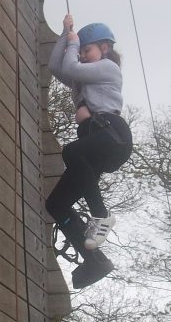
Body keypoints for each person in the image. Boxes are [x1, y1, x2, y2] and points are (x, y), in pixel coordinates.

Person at [46, 15, 133, 287]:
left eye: (87, 50)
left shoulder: (108, 68)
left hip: (112, 135)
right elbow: (56, 66)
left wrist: (73, 43)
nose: (82, 55)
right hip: (94, 145)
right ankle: (95, 261)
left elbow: (70, 66)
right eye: (81, 51)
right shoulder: (81, 80)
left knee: (71, 152)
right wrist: (66, 33)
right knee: (56, 204)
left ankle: (101, 215)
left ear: (104, 48)